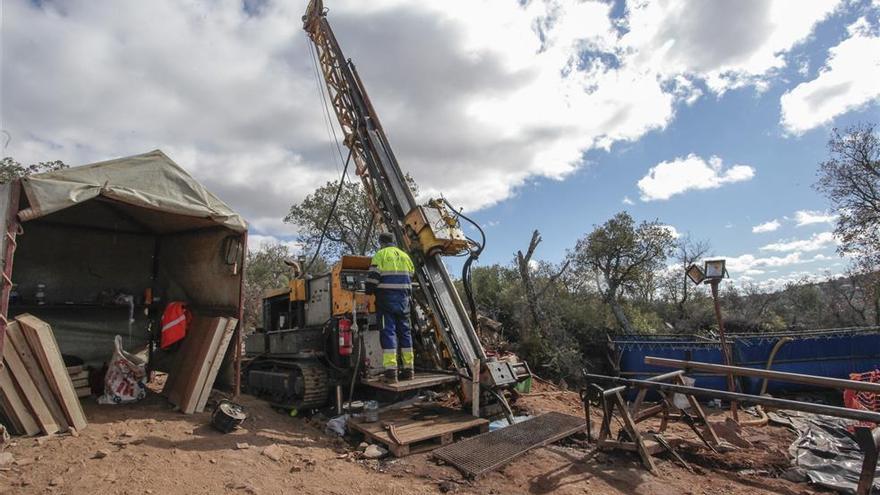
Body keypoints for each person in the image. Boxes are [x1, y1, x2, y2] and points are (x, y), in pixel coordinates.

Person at [365, 232, 415, 382]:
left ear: (381, 242)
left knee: (389, 334)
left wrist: (367, 294)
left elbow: (373, 279)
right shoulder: (405, 256)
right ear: (393, 241)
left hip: (386, 303)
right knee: (405, 334)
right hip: (403, 302)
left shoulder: (380, 255)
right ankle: (409, 370)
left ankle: (391, 373)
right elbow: (411, 275)